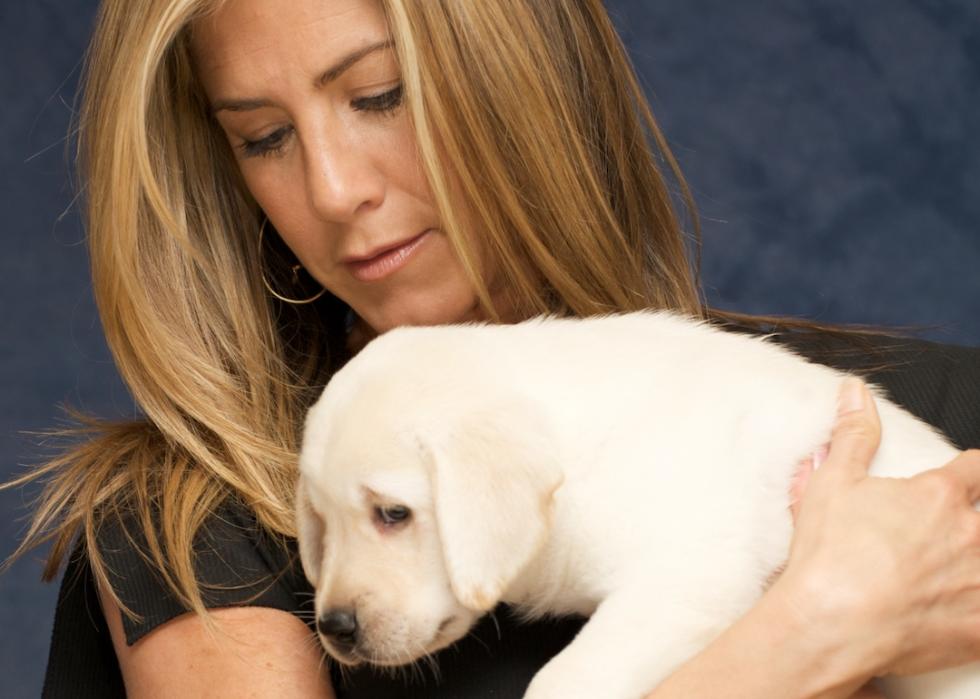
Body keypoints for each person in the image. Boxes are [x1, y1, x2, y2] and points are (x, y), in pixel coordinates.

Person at [8, 0, 979, 697]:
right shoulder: (200, 514)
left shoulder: (919, 418)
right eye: (263, 138)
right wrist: (808, 636)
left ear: (522, 74)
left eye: (378, 94)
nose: (334, 186)